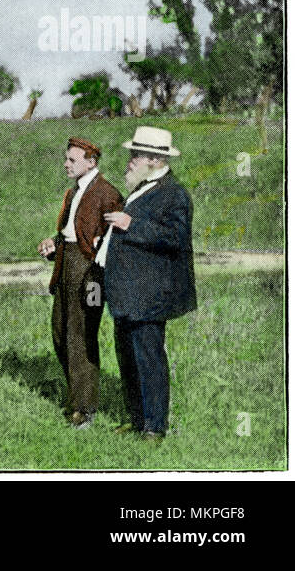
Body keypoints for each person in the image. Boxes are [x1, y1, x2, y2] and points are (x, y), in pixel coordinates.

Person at [95, 127, 196, 442]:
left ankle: (155, 427)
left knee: (149, 360)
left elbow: (176, 238)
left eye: (135, 155)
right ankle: (137, 420)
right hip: (127, 294)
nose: (129, 161)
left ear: (154, 159)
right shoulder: (141, 188)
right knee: (127, 358)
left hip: (150, 295)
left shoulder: (174, 193)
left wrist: (131, 224)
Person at [37, 138, 123, 429]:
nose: (66, 164)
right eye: (66, 159)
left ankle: (84, 408)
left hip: (91, 274)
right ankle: (77, 396)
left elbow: (114, 239)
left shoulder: (108, 193)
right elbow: (71, 232)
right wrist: (55, 243)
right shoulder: (73, 192)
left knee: (82, 335)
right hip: (66, 266)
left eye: (72, 160)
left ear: (91, 162)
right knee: (60, 332)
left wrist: (99, 266)